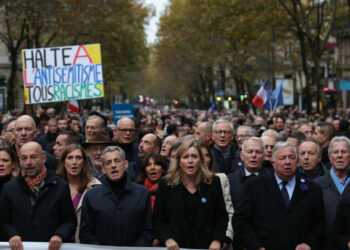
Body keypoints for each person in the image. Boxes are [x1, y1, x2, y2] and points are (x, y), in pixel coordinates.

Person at [233, 141, 326, 250]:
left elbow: (320, 224)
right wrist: (256, 246)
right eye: (282, 158)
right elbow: (240, 220)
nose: (287, 162)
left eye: (291, 158)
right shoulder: (254, 186)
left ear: (297, 162)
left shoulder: (312, 189)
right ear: (273, 163)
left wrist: (308, 243)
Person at [0, 142, 77, 250]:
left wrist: (59, 235)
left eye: (33, 157)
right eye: (23, 158)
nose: (28, 162)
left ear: (43, 159)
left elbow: (69, 220)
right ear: (19, 161)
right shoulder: (9, 188)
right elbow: (3, 221)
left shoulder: (60, 185)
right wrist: (12, 234)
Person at [154, 139, 228, 249]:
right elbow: (158, 218)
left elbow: (221, 216)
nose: (190, 161)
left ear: (201, 160)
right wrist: (167, 238)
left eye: (194, 156)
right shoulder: (166, 184)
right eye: (185, 157)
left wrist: (217, 240)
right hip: (176, 246)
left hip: (206, 246)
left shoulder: (213, 182)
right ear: (179, 161)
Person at [79, 146, 153, 246]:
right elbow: (86, 233)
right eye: (108, 163)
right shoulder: (91, 196)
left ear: (125, 164)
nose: (113, 165)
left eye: (117, 161)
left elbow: (148, 231)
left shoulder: (142, 193)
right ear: (104, 169)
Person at [56, 144, 101, 242]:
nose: (74, 162)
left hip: (84, 244)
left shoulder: (95, 187)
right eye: (70, 158)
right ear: (63, 162)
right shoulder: (53, 186)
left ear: (84, 162)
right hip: (58, 244)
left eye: (78, 158)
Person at [200, 141, 234, 250]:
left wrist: (226, 237)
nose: (204, 159)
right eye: (200, 155)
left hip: (218, 239)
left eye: (207, 155)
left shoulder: (220, 178)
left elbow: (228, 211)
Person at [314, 136, 350, 233]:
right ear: (330, 157)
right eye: (335, 152)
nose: (339, 155)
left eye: (344, 152)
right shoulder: (316, 185)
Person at [228, 137, 271, 208]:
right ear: (242, 156)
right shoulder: (230, 180)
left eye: (258, 152)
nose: (254, 155)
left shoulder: (273, 178)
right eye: (250, 152)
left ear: (263, 156)